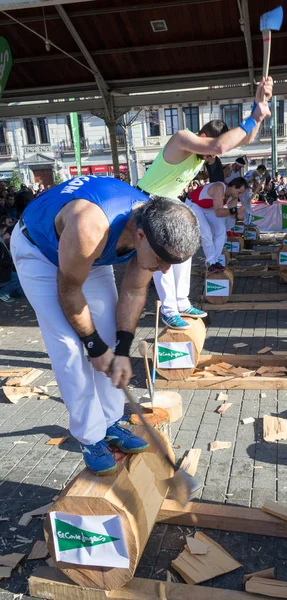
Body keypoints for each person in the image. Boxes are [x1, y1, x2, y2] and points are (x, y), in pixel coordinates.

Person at [11, 175, 201, 474]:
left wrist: (121, 349)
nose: (165, 269)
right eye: (163, 260)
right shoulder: (90, 226)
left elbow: (134, 290)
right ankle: (90, 437)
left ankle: (111, 421)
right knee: (70, 350)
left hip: (90, 253)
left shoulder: (151, 230)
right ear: (140, 236)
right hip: (40, 250)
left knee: (111, 337)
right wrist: (93, 345)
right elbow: (69, 291)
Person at [137, 77, 273, 329]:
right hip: (146, 200)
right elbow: (219, 144)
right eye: (210, 153)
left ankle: (182, 301)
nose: (213, 158)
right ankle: (168, 309)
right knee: (162, 256)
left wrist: (259, 105)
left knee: (185, 250)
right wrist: (252, 116)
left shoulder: (205, 151)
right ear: (202, 137)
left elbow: (243, 140)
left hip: (169, 202)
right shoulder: (182, 138)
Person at [186, 177, 248, 275]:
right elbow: (219, 212)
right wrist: (235, 211)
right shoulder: (219, 188)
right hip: (194, 205)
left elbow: (232, 215)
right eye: (239, 192)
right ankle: (210, 263)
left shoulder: (233, 196)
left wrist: (239, 214)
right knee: (206, 234)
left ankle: (215, 260)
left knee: (221, 232)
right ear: (233, 187)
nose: (239, 195)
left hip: (208, 207)